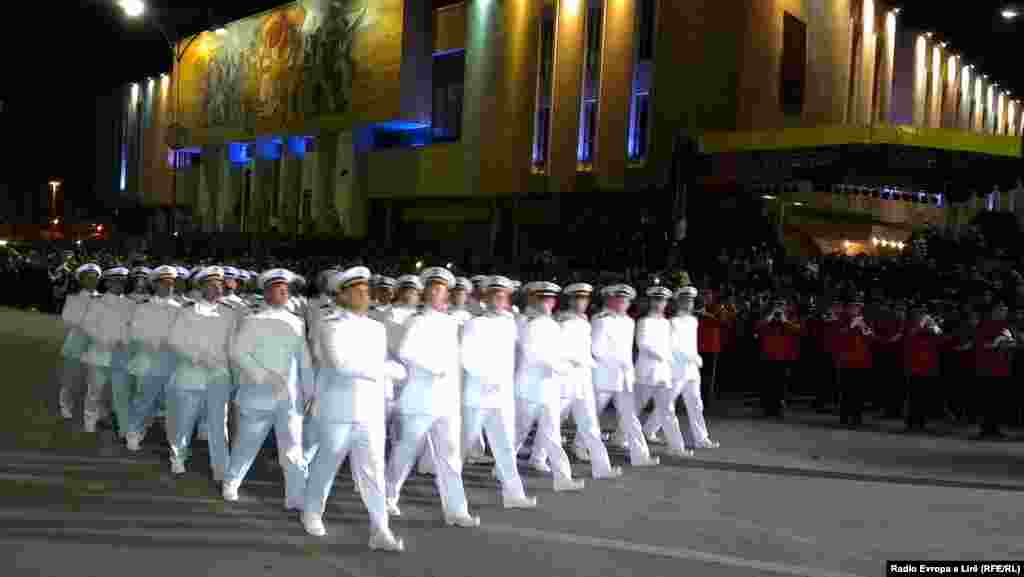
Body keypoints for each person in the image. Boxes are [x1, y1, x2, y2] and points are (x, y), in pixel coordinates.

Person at [302, 266, 405, 550]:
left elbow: (377, 364)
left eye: (365, 291)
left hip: (370, 411)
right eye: (357, 292)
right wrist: (385, 370)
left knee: (374, 472)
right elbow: (340, 363)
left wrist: (387, 396)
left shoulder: (376, 327)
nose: (364, 296)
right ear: (342, 295)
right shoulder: (330, 324)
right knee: (326, 465)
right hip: (338, 410)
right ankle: (311, 511)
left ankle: (380, 529)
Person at [386, 266, 480, 528]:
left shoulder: (452, 322)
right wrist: (432, 366)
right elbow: (405, 352)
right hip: (420, 399)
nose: (438, 293)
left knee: (450, 457)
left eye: (442, 289)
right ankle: (388, 494)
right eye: (433, 289)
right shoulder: (417, 320)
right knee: (405, 452)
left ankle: (456, 510)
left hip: (446, 401)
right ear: (426, 292)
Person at [224, 268, 313, 509]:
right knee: (247, 444)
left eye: (286, 289)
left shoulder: (297, 321)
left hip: (290, 397)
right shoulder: (253, 320)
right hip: (258, 393)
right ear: (266, 292)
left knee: (293, 449)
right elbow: (238, 353)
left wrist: (310, 391)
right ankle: (231, 481)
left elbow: (303, 359)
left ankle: (295, 496)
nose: (284, 292)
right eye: (278, 288)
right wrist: (263, 376)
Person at [460, 275, 538, 509]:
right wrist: (487, 378)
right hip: (478, 395)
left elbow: (515, 356)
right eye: (494, 295)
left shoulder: (510, 323)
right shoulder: (475, 323)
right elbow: (466, 358)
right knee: (461, 446)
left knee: (504, 446)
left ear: (507, 298)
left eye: (502, 295)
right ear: (486, 297)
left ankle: (514, 494)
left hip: (502, 396)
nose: (498, 299)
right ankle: (446, 483)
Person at [514, 280, 586, 492]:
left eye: (551, 300)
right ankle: (502, 467)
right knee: (519, 433)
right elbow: (532, 354)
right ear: (535, 301)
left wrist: (567, 362)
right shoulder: (530, 324)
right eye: (544, 299)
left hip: (549, 387)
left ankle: (563, 478)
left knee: (553, 434)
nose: (548, 303)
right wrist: (558, 365)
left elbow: (559, 352)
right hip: (530, 388)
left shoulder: (554, 325)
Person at [165, 266, 237, 477]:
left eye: (220, 285)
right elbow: (175, 341)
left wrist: (226, 364)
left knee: (218, 424)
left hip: (219, 374)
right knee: (185, 420)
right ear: (202, 287)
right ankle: (178, 457)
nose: (217, 289)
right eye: (212, 285)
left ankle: (220, 467)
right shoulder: (187, 311)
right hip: (191, 372)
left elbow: (232, 344)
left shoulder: (229, 314)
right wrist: (197, 357)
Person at [592, 284, 659, 467]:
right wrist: (616, 362)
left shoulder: (629, 322)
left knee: (630, 417)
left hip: (623, 379)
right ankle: (580, 445)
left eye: (627, 300)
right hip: (605, 376)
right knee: (591, 416)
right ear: (611, 300)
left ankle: (640, 455)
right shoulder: (601, 320)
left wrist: (629, 372)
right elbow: (596, 349)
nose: (624, 303)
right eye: (621, 300)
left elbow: (628, 353)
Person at [123, 265, 183, 451]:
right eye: (165, 283)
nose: (169, 286)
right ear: (155, 285)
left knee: (170, 402)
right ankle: (134, 433)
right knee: (143, 400)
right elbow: (134, 331)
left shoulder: (181, 308)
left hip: (172, 362)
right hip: (148, 360)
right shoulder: (142, 307)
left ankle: (169, 435)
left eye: (172, 283)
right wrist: (154, 343)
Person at [80, 266, 133, 435]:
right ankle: (90, 421)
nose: (118, 285)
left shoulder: (130, 304)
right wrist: (105, 340)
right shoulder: (97, 302)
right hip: (99, 353)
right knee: (95, 390)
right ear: (107, 283)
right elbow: (88, 326)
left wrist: (125, 342)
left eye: (122, 282)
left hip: (122, 355)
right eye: (115, 282)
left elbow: (133, 328)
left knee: (120, 393)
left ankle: (119, 424)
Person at [667, 286, 719, 450]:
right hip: (677, 370)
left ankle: (701, 438)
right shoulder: (673, 322)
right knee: (666, 404)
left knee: (696, 404)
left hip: (691, 371)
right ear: (678, 302)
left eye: (690, 301)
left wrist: (694, 358)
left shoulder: (692, 321)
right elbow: (672, 348)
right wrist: (690, 357)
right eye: (685, 300)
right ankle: (642, 431)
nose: (688, 303)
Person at [57, 263, 101, 422]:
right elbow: (69, 321)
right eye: (88, 278)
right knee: (70, 379)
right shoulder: (74, 298)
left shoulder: (103, 299)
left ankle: (91, 412)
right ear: (81, 280)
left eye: (95, 278)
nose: (92, 281)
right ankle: (65, 406)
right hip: (76, 343)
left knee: (95, 383)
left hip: (96, 346)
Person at [635, 285, 674, 445]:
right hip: (647, 369)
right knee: (637, 406)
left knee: (666, 406)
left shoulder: (666, 323)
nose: (659, 303)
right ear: (651, 302)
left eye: (663, 300)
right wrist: (661, 355)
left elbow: (670, 345)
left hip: (663, 371)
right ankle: (621, 435)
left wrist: (670, 359)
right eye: (657, 300)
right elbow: (642, 344)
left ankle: (650, 430)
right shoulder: (644, 321)